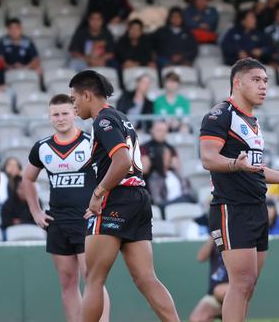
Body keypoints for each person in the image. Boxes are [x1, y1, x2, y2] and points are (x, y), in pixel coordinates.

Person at [199, 57, 279, 321]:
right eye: (256, 80)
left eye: (265, 81)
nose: (263, 86)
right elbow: (208, 158)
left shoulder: (252, 122)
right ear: (237, 82)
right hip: (232, 208)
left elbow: (255, 169)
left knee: (248, 286)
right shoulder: (220, 114)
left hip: (257, 208)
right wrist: (234, 163)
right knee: (240, 284)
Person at [68, 69, 180, 322]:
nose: (73, 106)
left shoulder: (103, 121)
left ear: (87, 95)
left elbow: (121, 161)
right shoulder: (122, 118)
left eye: (74, 99)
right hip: (140, 198)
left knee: (94, 279)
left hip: (116, 198)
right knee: (146, 278)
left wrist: (98, 193)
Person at [22, 94, 110, 322]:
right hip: (57, 222)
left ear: (74, 113)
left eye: (64, 113)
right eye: (55, 114)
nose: (60, 118)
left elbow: (112, 171)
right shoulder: (42, 147)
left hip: (86, 221)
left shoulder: (91, 142)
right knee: (67, 281)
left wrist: (101, 202)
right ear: (49, 117)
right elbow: (27, 179)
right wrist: (35, 211)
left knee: (92, 279)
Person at [189, 239, 229, 322]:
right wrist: (212, 235)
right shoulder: (216, 240)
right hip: (213, 294)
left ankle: (229, 312)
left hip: (233, 290)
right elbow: (200, 257)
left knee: (219, 291)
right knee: (197, 319)